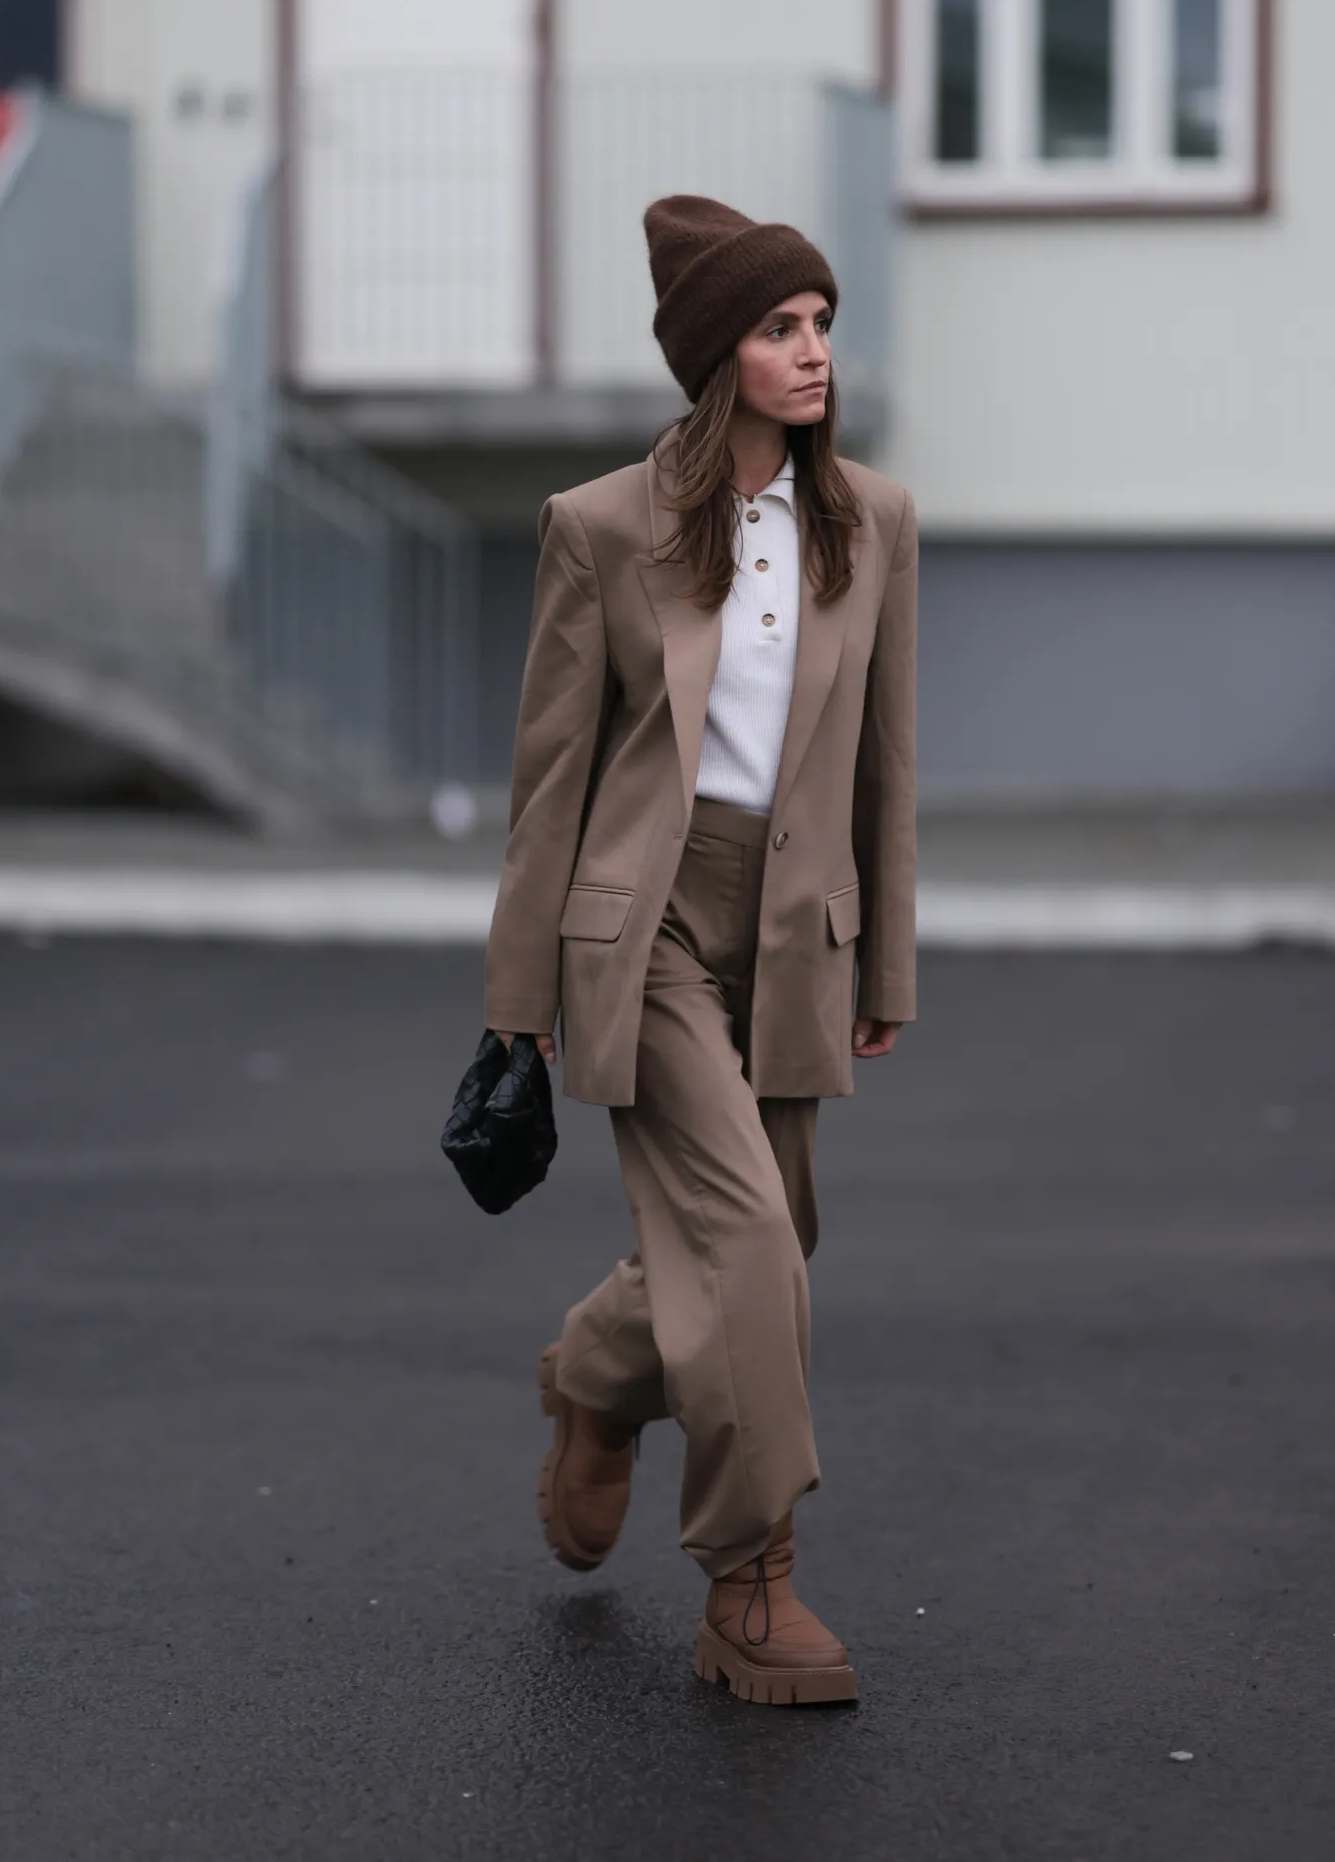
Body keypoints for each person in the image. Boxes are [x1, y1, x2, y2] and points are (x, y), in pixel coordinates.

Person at [487, 194, 917, 1707]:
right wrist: (518, 995)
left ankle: (597, 1379)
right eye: (778, 328)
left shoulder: (872, 518)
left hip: (797, 924)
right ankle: (751, 1582)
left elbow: (886, 767)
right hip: (646, 917)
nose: (813, 354)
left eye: (820, 326)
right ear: (712, 357)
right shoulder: (601, 528)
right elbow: (553, 779)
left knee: (772, 1239)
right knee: (742, 1240)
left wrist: (887, 965)